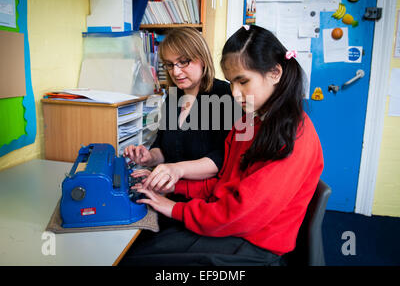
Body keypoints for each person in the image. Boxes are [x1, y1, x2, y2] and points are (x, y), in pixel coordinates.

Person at [119, 25, 324, 266]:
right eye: (231, 83)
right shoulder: (251, 120)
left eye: (243, 81)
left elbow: (241, 213)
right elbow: (227, 181)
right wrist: (177, 187)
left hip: (254, 243)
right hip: (230, 222)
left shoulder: (292, 137)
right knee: (143, 247)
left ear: (275, 73)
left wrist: (175, 208)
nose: (236, 93)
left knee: (137, 259)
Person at [124, 27, 236, 189]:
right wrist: (149, 157)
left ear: (202, 59)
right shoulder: (173, 96)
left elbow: (223, 158)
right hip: (171, 188)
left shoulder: (225, 95)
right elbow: (163, 148)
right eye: (169, 65)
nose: (175, 72)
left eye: (183, 62)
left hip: (206, 195)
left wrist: (176, 169)